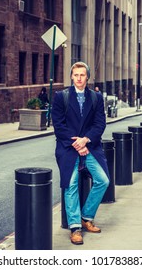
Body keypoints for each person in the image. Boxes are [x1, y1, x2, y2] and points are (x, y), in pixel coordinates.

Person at [51, 61, 110, 245]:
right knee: (71, 184)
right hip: (68, 147)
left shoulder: (96, 98)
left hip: (90, 146)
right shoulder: (61, 97)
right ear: (71, 76)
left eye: (82, 75)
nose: (79, 78)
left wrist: (86, 140)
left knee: (103, 180)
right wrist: (77, 142)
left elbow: (100, 124)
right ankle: (75, 227)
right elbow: (58, 126)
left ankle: (86, 216)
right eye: (75, 75)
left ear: (87, 77)